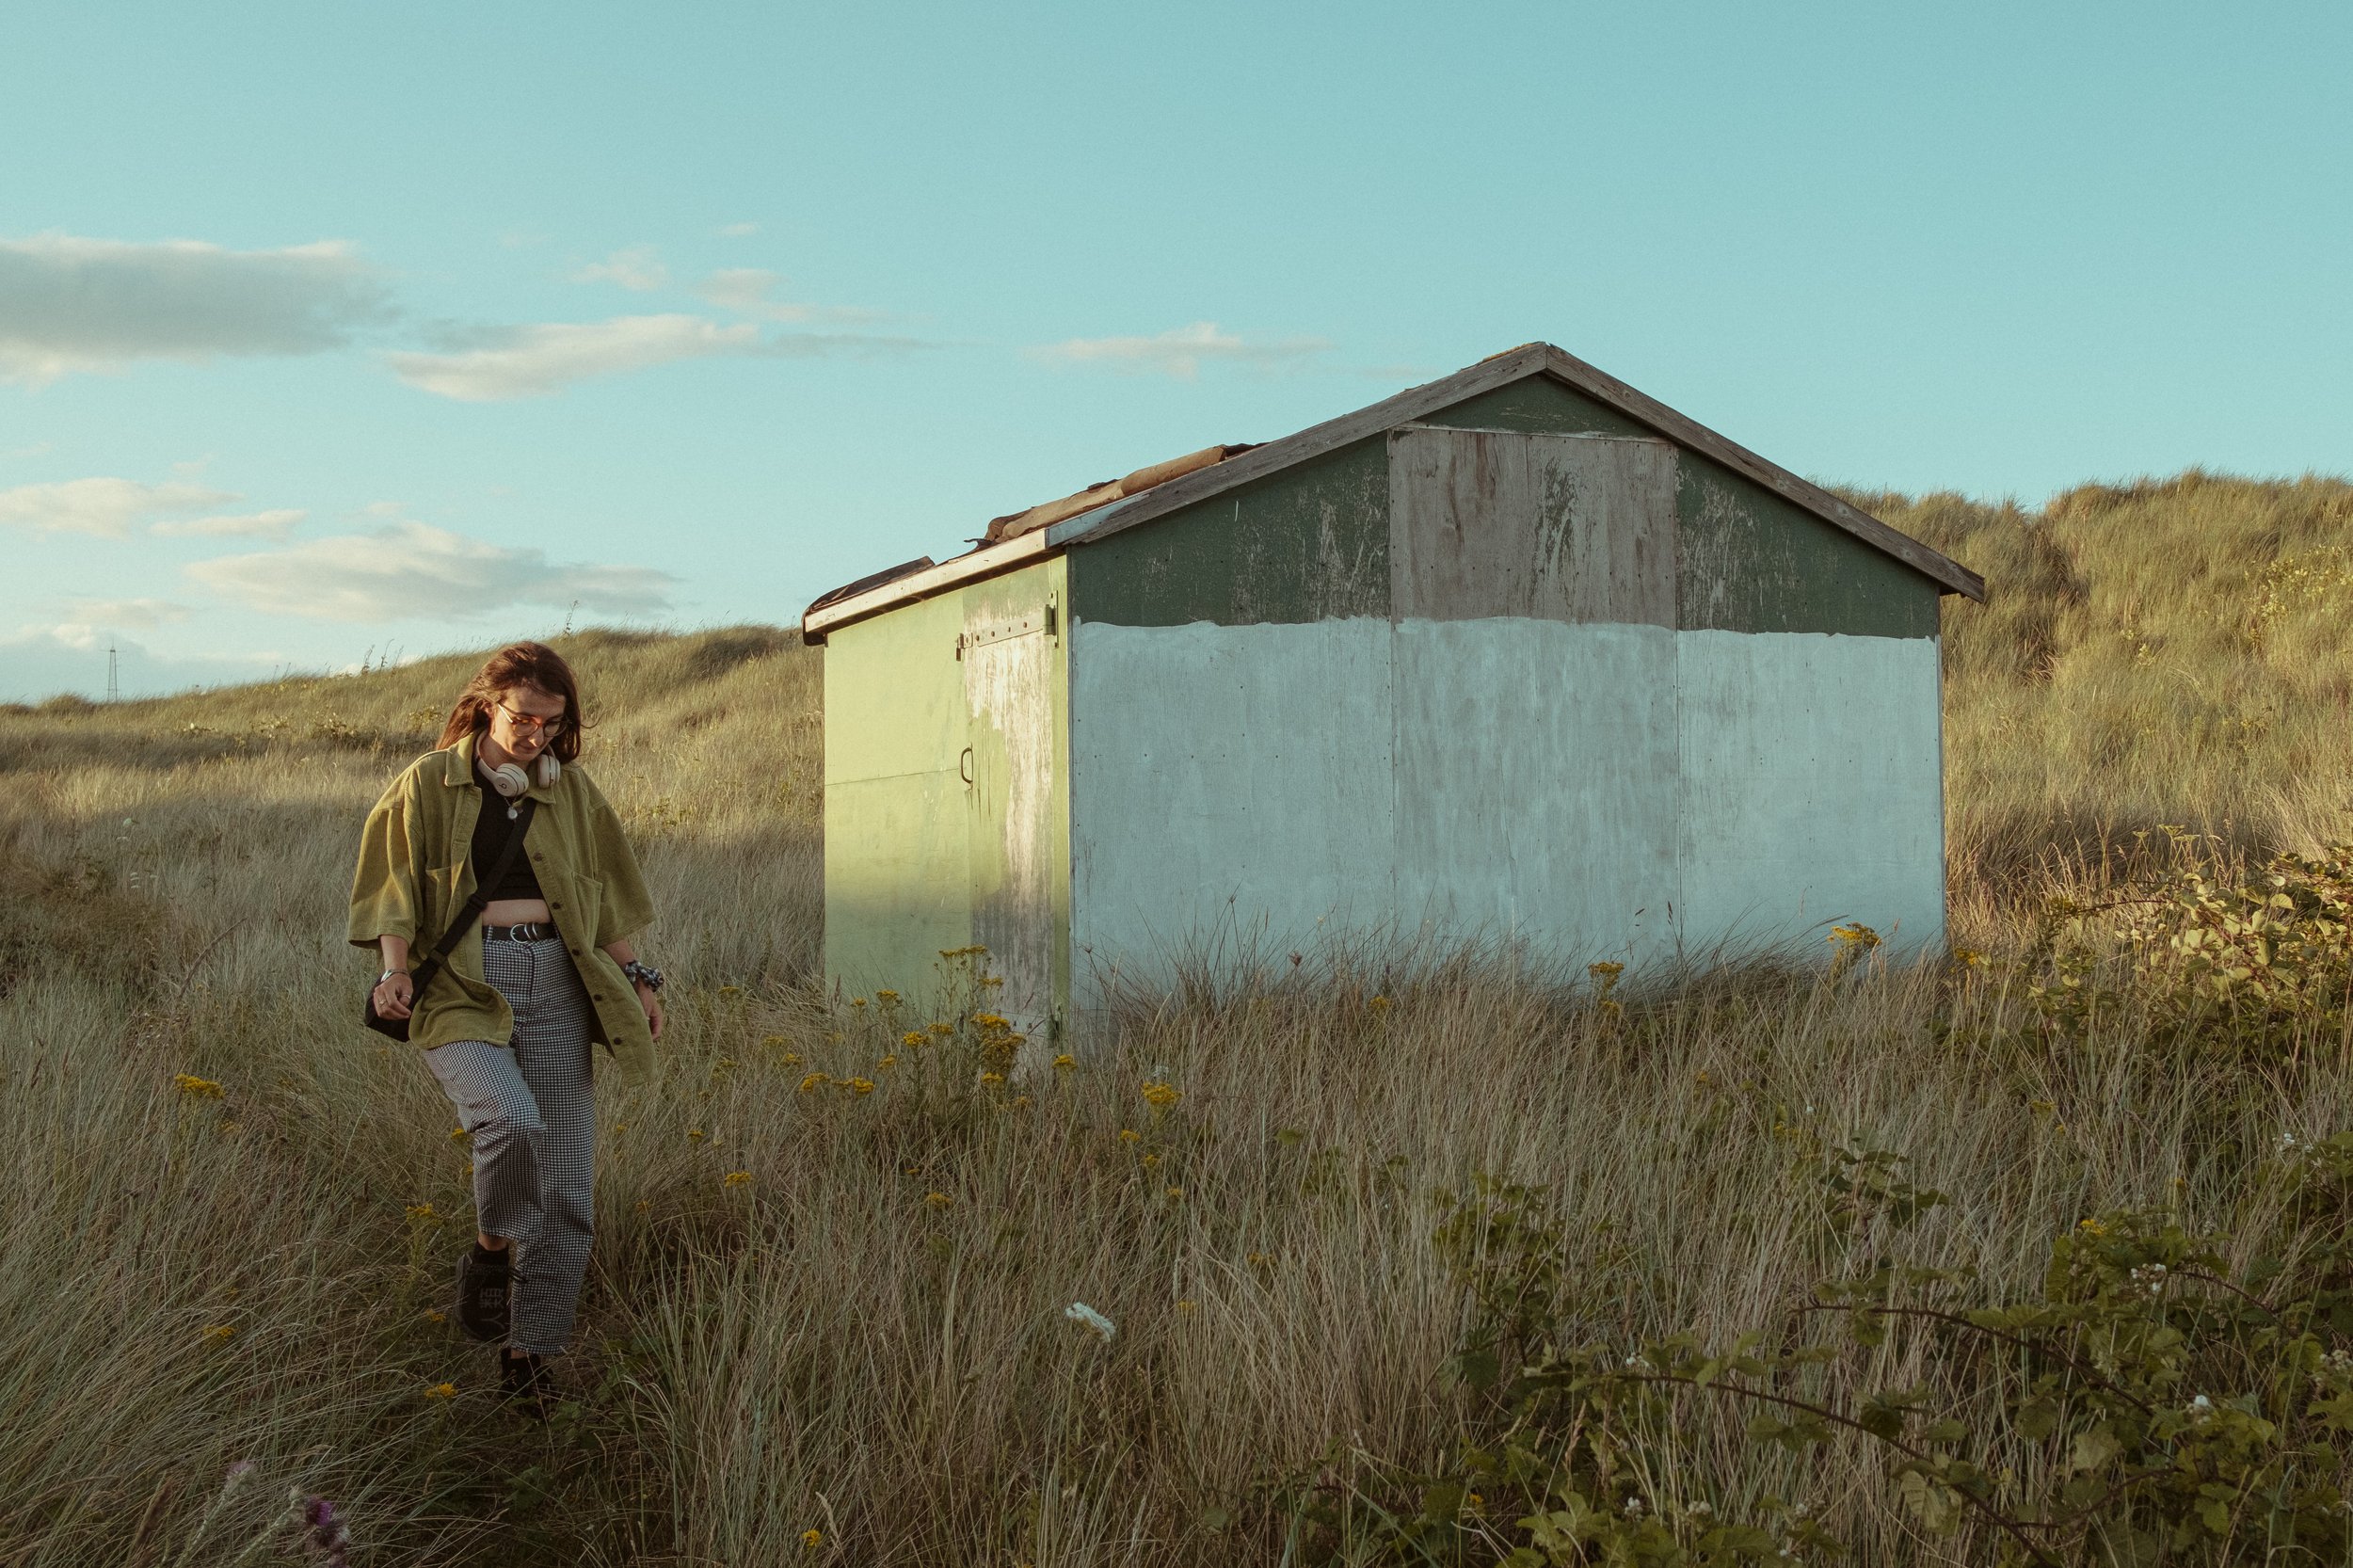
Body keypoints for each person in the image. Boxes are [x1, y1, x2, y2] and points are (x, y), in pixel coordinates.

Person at [347, 641, 664, 1408]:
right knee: (511, 1122)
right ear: (489, 704)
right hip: (460, 983)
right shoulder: (428, 782)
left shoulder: (573, 792)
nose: (536, 738)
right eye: (524, 720)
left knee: (568, 1196)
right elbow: (391, 886)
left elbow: (606, 898)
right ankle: (491, 1249)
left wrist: (637, 976)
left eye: (551, 727)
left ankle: (530, 1358)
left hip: (560, 978)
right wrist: (395, 971)